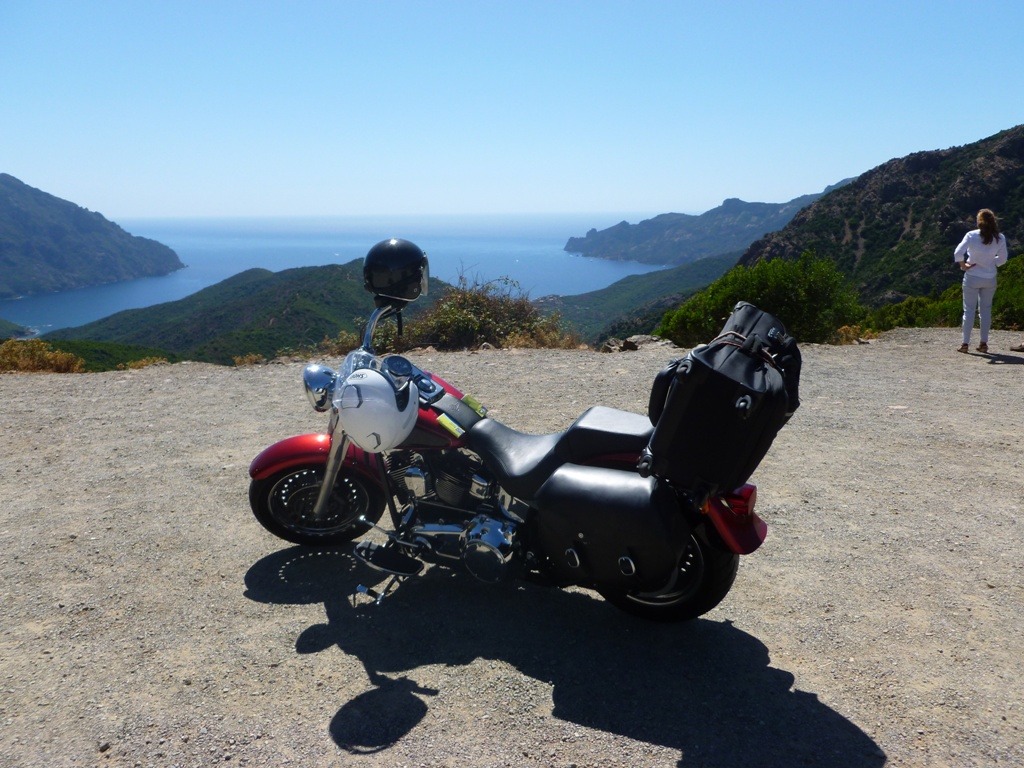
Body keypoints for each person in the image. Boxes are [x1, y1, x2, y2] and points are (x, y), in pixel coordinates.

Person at [954, 208, 1008, 353]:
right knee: (985, 311)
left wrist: (963, 265)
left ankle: (965, 344)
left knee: (969, 310)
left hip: (972, 277)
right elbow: (1002, 260)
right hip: (990, 278)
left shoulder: (971, 236)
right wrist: (991, 262)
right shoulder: (1000, 238)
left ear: (979, 222)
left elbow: (958, 253)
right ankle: (983, 343)